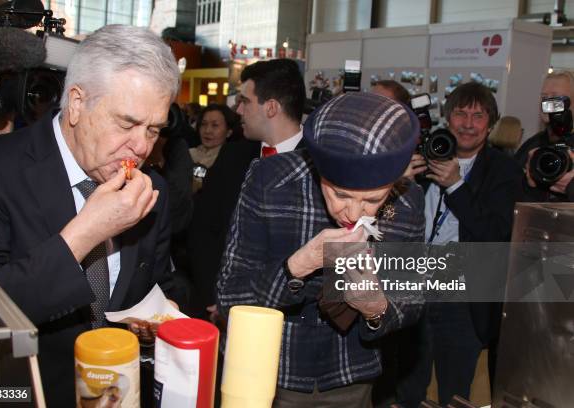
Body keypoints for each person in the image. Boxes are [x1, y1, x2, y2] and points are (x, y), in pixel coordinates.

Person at [0, 24, 180, 407]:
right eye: (127, 123)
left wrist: (156, 322)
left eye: (154, 129)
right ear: (76, 104)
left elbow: (155, 284)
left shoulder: (152, 190)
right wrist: (86, 232)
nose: (141, 145)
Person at [217, 92, 426, 407]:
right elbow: (228, 296)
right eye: (340, 194)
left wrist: (375, 307)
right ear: (320, 172)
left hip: (350, 375)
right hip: (267, 370)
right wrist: (298, 266)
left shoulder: (409, 202)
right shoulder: (270, 181)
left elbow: (412, 299)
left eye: (373, 201)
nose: (354, 214)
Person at [399, 82, 522, 406]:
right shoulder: (422, 158)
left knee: (454, 393)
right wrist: (399, 187)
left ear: (490, 123)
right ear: (446, 118)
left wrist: (455, 186)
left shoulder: (503, 170)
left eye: (478, 116)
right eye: (461, 113)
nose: (468, 124)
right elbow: (384, 224)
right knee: (407, 389)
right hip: (412, 288)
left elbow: (494, 233)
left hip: (463, 301)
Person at [187, 58, 306, 319]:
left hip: (292, 320)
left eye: (245, 101)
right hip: (220, 309)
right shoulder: (233, 156)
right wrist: (217, 296)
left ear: (271, 107)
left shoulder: (319, 165)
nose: (238, 110)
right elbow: (204, 230)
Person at [514, 70, 574, 202]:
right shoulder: (531, 146)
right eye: (544, 97)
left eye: (556, 97)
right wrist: (530, 184)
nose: (547, 103)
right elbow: (509, 195)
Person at [189, 103, 236, 193]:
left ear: (229, 132)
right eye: (203, 124)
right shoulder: (188, 154)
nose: (207, 130)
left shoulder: (230, 161)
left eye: (215, 125)